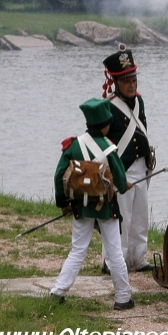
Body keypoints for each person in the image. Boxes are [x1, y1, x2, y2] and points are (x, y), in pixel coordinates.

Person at [50, 98, 135, 310]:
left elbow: (59, 176)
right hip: (106, 208)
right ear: (105, 124)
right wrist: (126, 185)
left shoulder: (73, 146)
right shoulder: (109, 148)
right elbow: (121, 183)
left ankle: (58, 291)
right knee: (114, 251)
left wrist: (64, 203)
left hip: (81, 206)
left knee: (77, 250)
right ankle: (123, 298)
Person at [100, 44, 154, 273]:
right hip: (121, 169)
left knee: (140, 219)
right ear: (115, 82)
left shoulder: (140, 102)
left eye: (133, 79)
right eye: (126, 81)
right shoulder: (107, 107)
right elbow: (100, 142)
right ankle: (114, 263)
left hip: (142, 168)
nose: (132, 85)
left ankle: (137, 259)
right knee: (120, 220)